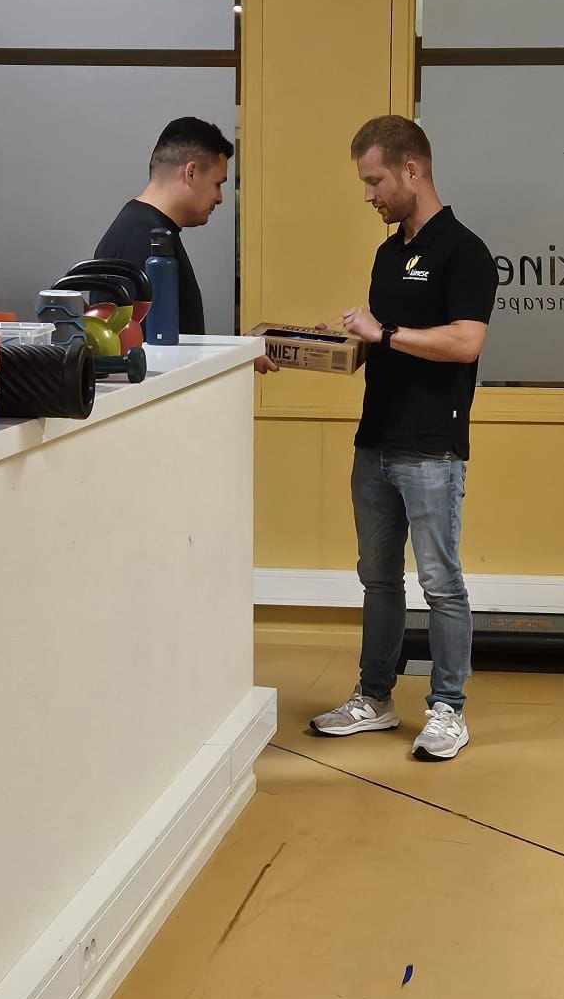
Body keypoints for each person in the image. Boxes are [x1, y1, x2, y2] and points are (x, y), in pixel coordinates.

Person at [311, 114, 497, 761]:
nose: (369, 195)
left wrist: (383, 333)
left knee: (440, 582)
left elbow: (465, 342)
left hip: (431, 446)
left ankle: (448, 708)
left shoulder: (464, 251)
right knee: (378, 578)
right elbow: (385, 343)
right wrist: (318, 346)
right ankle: (375, 697)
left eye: (375, 181)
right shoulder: (389, 255)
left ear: (411, 170)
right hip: (375, 441)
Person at [93, 117, 277, 371]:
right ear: (191, 173)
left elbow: (173, 345)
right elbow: (154, 358)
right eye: (217, 184)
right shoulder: (142, 239)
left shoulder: (147, 230)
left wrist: (238, 353)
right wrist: (235, 357)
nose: (220, 198)